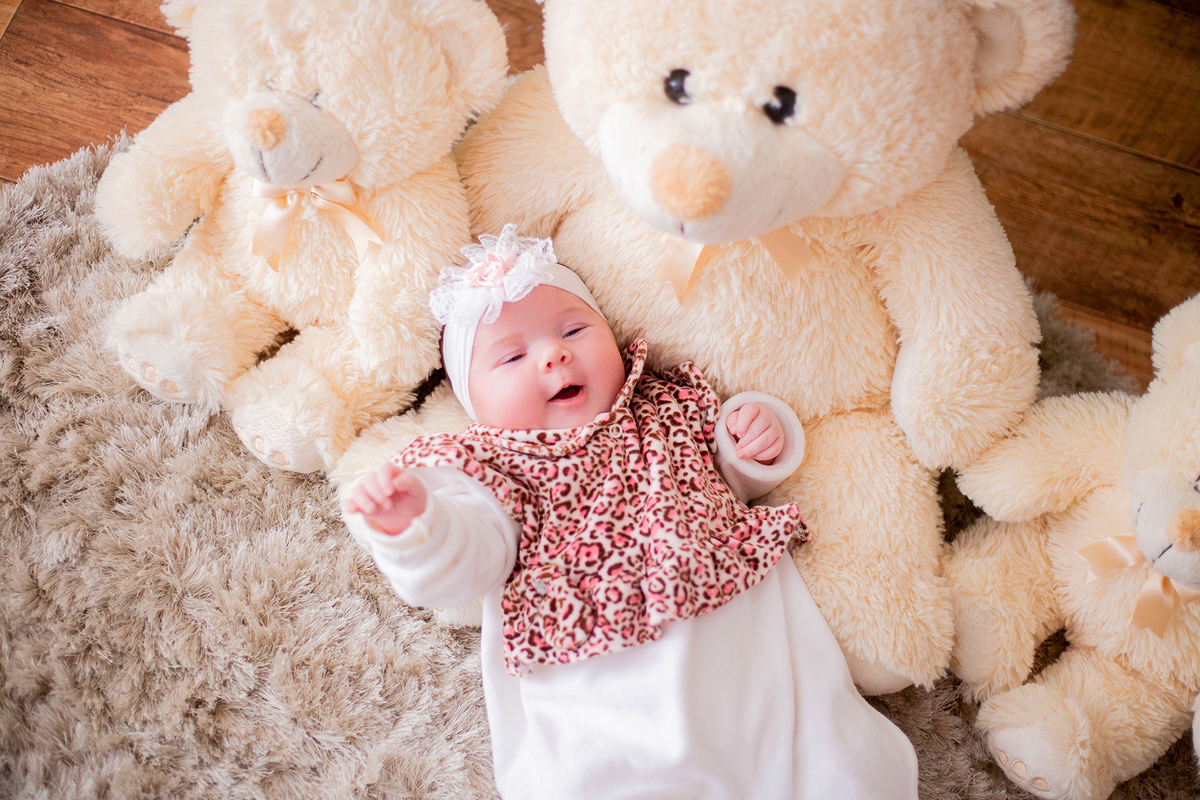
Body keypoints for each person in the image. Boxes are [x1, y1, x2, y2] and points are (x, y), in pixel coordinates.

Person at [342, 225, 919, 800]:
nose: (554, 354)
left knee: (838, 763)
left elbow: (724, 479)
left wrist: (751, 441)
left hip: (744, 641)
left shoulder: (664, 403)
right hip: (608, 684)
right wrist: (418, 525)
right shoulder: (496, 465)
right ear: (474, 406)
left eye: (574, 329)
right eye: (513, 356)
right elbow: (471, 555)